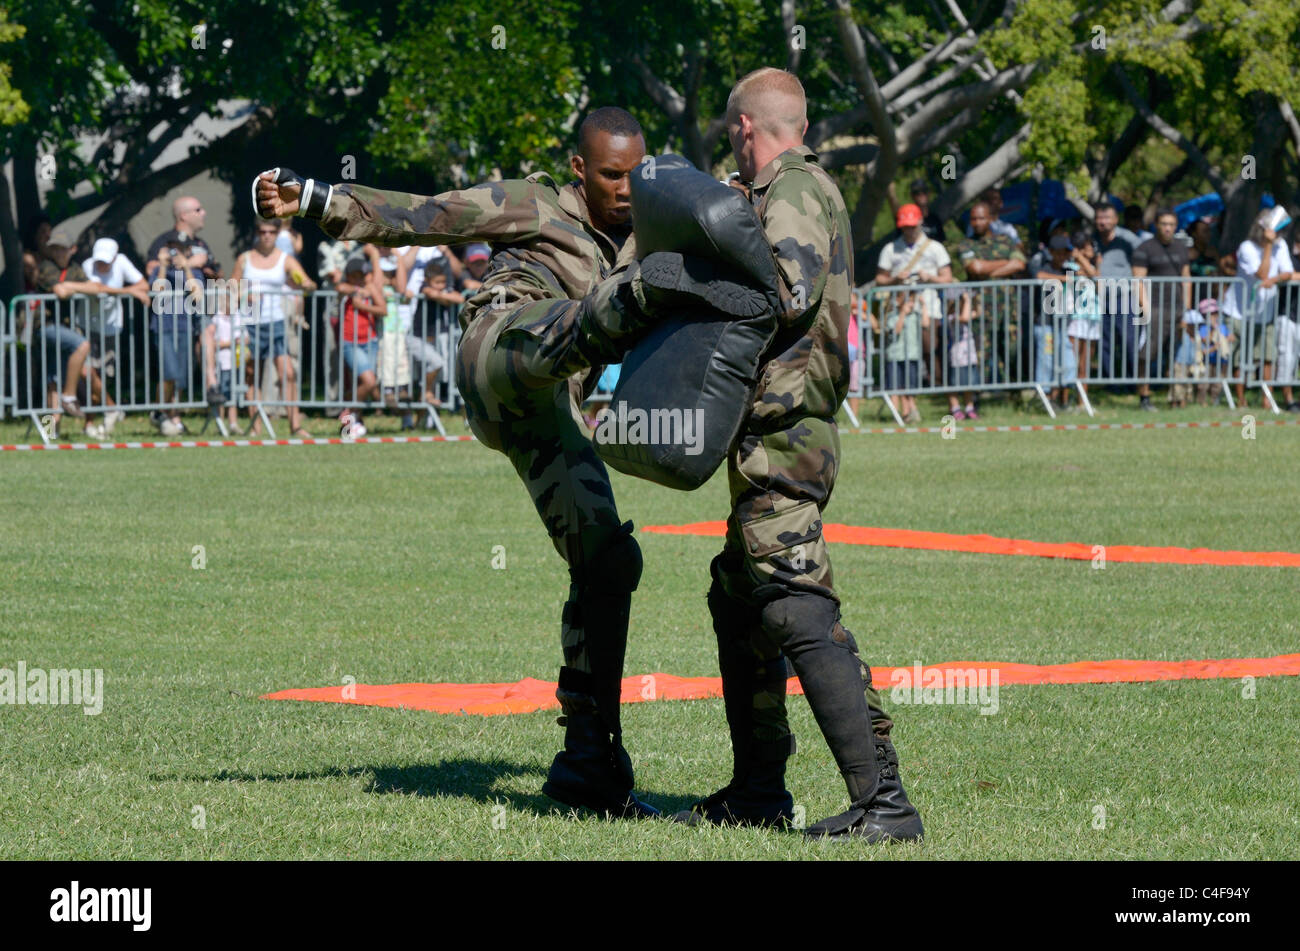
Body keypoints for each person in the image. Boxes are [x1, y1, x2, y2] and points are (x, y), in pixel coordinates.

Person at [256, 106, 686, 819]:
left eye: (636, 174)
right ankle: (596, 316)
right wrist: (314, 199)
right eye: (611, 174)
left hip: (548, 412)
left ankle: (589, 759)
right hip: (501, 352)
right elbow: (428, 216)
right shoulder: (535, 202)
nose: (624, 188)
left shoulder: (652, 230)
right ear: (580, 169)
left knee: (611, 559)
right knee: (576, 320)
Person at [673, 67, 923, 842]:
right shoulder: (790, 188)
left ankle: (884, 802)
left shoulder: (795, 188)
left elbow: (787, 287)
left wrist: (685, 275)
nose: (732, 153)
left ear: (747, 128)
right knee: (739, 597)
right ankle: (757, 789)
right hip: (775, 428)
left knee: (794, 603)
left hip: (786, 430)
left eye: (732, 140)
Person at [231, 219, 317, 437]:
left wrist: (305, 285)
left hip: (276, 321)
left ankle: (295, 425)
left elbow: (309, 283)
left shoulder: (285, 259)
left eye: (271, 231)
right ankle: (255, 427)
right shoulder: (245, 259)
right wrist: (243, 295)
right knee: (253, 375)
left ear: (278, 233)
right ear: (257, 233)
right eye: (262, 231)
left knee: (287, 373)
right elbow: (230, 290)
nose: (267, 235)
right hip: (251, 324)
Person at [31, 226, 104, 439]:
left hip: (62, 330)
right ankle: (70, 396)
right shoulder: (46, 267)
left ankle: (49, 430)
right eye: (54, 249)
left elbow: (96, 288)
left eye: (62, 249)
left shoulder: (75, 269)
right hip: (44, 327)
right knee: (82, 345)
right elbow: (60, 292)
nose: (58, 253)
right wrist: (76, 287)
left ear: (72, 249)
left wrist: (72, 285)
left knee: (53, 381)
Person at [1222, 208, 1296, 409]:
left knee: (1267, 358)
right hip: (1240, 310)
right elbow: (1261, 274)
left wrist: (1275, 278)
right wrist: (1268, 247)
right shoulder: (1246, 247)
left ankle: (1267, 400)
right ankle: (1241, 401)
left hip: (1266, 311)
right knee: (1240, 358)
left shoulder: (1280, 245)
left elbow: (1288, 272)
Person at [81, 237, 147, 434]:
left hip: (108, 328)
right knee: (70, 378)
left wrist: (129, 290)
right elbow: (98, 289)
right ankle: (110, 409)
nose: (101, 265)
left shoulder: (122, 262)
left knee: (96, 377)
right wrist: (128, 291)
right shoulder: (86, 266)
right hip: (83, 326)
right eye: (98, 261)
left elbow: (143, 285)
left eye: (105, 261)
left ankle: (88, 425)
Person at [1132, 208, 1193, 407]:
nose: (1167, 228)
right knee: (1148, 353)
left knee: (1179, 354)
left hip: (1177, 307)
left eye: (1171, 225)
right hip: (1155, 307)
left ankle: (1177, 397)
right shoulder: (1145, 248)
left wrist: (1188, 309)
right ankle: (1144, 396)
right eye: (1164, 224)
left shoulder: (1181, 248)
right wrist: (1145, 308)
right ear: (1156, 225)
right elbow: (1138, 280)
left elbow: (1186, 279)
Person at [1091, 202, 1142, 393]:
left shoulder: (1128, 239)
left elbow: (1143, 258)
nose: (1102, 222)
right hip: (1100, 298)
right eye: (1099, 218)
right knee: (1105, 342)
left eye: (1106, 218)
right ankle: (1111, 383)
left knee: (1129, 341)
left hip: (1124, 297)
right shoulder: (1093, 239)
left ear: (1115, 220)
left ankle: (1132, 382)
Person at [146, 196, 221, 280]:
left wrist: (210, 271)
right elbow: (151, 270)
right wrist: (189, 264)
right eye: (198, 210)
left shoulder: (201, 243)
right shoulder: (166, 240)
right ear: (184, 216)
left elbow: (219, 274)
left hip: (200, 291)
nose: (204, 213)